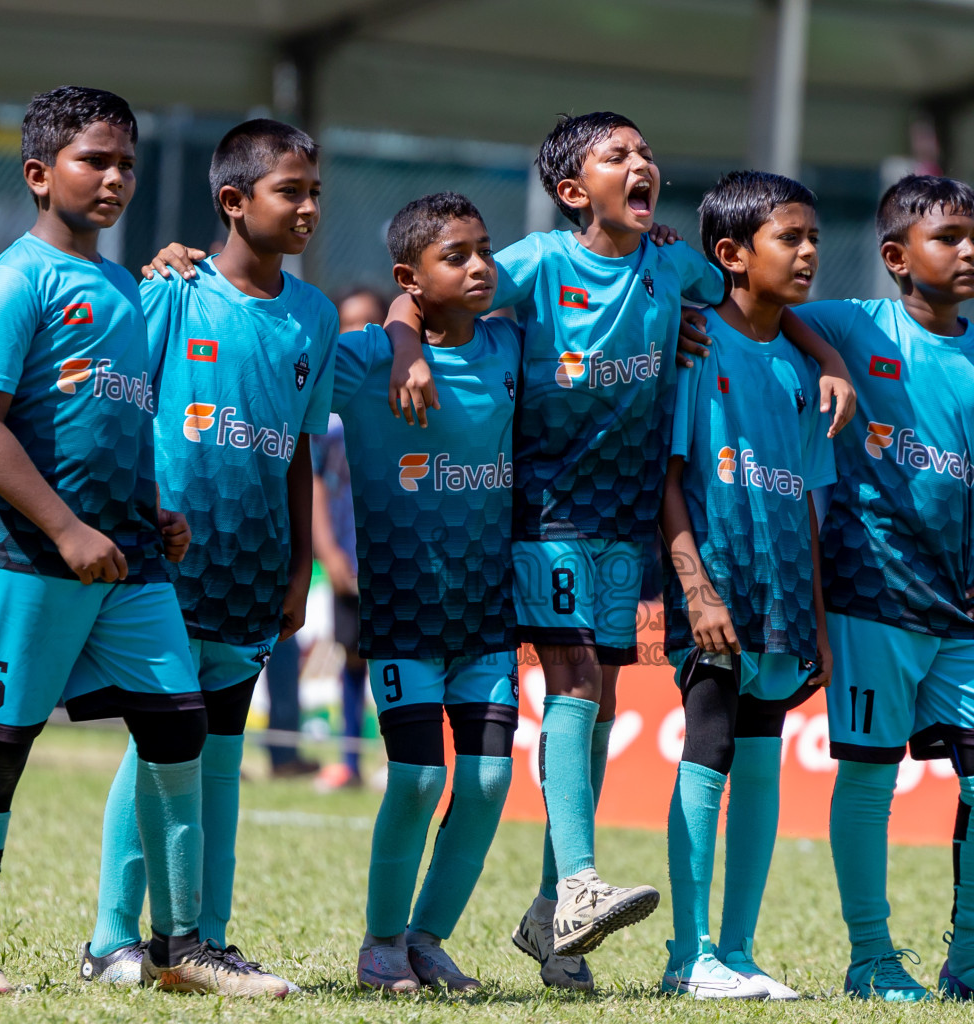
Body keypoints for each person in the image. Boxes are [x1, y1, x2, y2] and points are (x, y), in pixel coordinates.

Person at [385, 112, 854, 987]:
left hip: (623, 530)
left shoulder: (673, 267)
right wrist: (406, 348)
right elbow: (421, 294)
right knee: (574, 685)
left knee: (597, 713)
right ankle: (577, 884)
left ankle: (550, 926)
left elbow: (754, 305)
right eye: (618, 156)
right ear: (572, 192)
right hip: (542, 510)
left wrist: (825, 349)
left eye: (645, 152)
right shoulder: (533, 265)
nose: (642, 163)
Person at [0, 85, 224, 995]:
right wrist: (64, 529)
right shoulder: (14, 280)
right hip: (24, 553)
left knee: (179, 722)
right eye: (92, 160)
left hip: (124, 557)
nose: (114, 178)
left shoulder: (122, 287)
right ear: (38, 173)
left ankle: (179, 949)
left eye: (125, 163)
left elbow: (119, 420)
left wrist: (150, 509)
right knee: (0, 742)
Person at [788, 174, 974, 1005]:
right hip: (868, 595)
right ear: (895, 257)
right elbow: (762, 307)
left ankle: (972, 960)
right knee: (871, 778)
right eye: (950, 237)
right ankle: (872, 960)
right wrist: (832, 360)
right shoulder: (852, 322)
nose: (972, 251)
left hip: (958, 610)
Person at [81, 118, 337, 997]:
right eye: (289, 191)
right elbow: (118, 413)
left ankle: (206, 940)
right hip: (167, 563)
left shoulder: (316, 315)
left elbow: (302, 450)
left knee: (223, 755)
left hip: (254, 569)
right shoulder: (174, 293)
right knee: (157, 752)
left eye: (314, 191)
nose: (308, 207)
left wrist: (300, 565)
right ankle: (113, 939)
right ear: (233, 202)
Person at [334, 193, 520, 993]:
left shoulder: (515, 344)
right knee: (416, 777)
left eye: (485, 250)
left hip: (486, 610)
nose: (479, 266)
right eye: (457, 256)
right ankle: (380, 945)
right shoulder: (363, 360)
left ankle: (426, 937)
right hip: (403, 608)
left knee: (486, 780)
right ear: (410, 277)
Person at [658, 171, 836, 1000]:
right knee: (711, 746)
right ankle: (685, 957)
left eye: (812, 238)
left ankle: (736, 951)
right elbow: (667, 477)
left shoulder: (805, 369)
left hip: (785, 598)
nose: (807, 253)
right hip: (716, 589)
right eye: (788, 239)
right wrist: (695, 590)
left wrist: (821, 623)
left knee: (761, 764)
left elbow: (802, 494)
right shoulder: (695, 342)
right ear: (731, 254)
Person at [309, 287, 386, 789]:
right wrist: (331, 553)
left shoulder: (396, 395)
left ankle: (398, 761)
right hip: (349, 561)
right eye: (350, 323)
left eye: (370, 323)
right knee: (353, 657)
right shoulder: (328, 408)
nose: (359, 333)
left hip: (394, 558)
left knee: (402, 662)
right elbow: (314, 481)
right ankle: (349, 759)